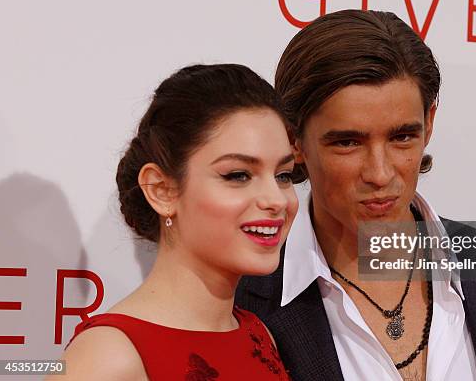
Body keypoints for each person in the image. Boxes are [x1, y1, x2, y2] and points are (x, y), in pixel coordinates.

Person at [235, 10, 476, 381]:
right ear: (294, 140)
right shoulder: (240, 293)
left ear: (430, 123)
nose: (380, 173)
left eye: (402, 137)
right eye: (347, 142)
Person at [49, 64, 298, 380]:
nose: (276, 200)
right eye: (238, 175)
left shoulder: (259, 334)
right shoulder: (109, 357)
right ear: (161, 190)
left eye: (283, 175)